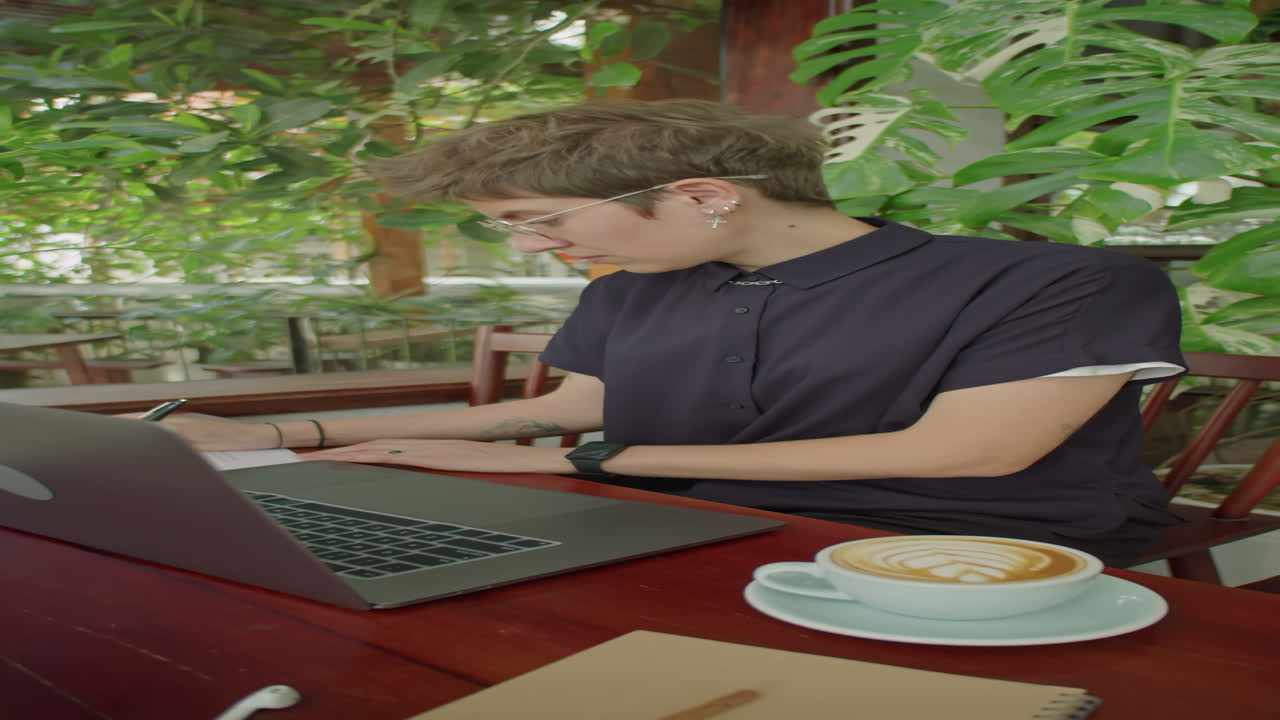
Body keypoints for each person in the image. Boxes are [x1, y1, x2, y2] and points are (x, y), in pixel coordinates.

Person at [156, 99, 1186, 567]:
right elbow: (573, 411)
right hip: (688, 524)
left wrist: (604, 462)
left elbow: (968, 453)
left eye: (541, 224)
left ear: (700, 194)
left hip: (970, 553)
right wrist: (295, 437)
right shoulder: (645, 277)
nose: (530, 248)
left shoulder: (1054, 280)